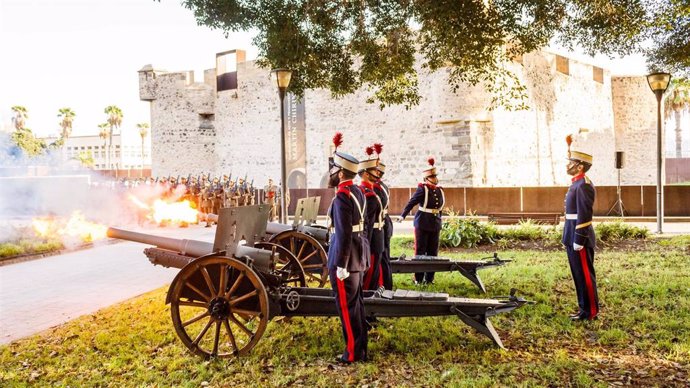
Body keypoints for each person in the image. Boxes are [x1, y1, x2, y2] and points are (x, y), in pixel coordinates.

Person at [327, 132, 369, 364]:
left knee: (347, 307)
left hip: (346, 259)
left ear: (342, 173)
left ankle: (352, 353)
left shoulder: (343, 196)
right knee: (357, 306)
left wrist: (341, 264)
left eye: (334, 170)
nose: (331, 173)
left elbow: (343, 234)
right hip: (357, 256)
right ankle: (361, 349)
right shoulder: (357, 191)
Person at [563, 140, 599, 321]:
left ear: (580, 167)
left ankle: (590, 311)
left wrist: (579, 238)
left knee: (585, 274)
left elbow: (584, 214)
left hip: (580, 237)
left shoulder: (584, 185)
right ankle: (583, 308)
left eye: (572, 163)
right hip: (571, 235)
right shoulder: (576, 183)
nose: (568, 165)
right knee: (578, 274)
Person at [399, 157, 445, 285]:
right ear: (426, 179)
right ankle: (418, 279)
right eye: (433, 177)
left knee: (433, 252)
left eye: (436, 176)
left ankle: (429, 279)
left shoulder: (439, 190)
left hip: (435, 224)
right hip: (423, 223)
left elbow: (439, 208)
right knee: (420, 251)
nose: (435, 179)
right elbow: (412, 202)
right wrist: (403, 215)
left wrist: (439, 221)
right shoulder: (422, 189)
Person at [358, 146, 385, 292]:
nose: (378, 173)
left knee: (375, 274)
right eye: (374, 171)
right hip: (372, 239)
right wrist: (365, 247)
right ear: (366, 174)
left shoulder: (372, 191)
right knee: (369, 277)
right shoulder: (367, 194)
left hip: (377, 237)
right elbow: (366, 224)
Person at [370, 143, 393, 290]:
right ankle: (387, 285)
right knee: (384, 259)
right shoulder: (383, 186)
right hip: (385, 223)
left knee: (380, 260)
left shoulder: (376, 188)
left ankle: (384, 285)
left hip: (379, 225)